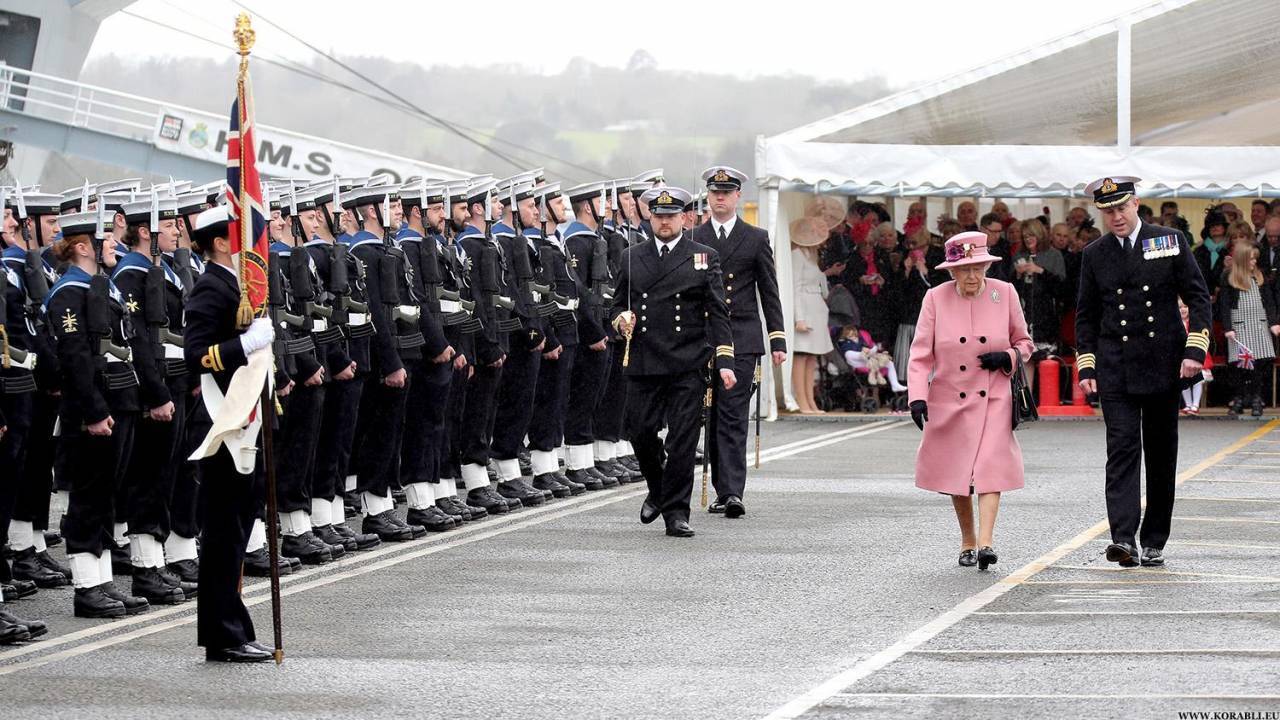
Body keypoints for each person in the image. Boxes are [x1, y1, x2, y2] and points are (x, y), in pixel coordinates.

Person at [1076, 176, 1212, 569]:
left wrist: (1194, 349)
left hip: (1162, 361)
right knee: (1120, 450)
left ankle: (1153, 539)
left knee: (1160, 451)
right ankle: (1122, 538)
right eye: (1107, 211)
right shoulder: (1095, 253)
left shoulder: (1167, 240)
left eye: (1121, 208)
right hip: (1116, 364)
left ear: (1136, 204)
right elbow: (1087, 315)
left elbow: (1198, 297)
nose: (1116, 217)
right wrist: (1088, 362)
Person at [611, 187, 735, 538]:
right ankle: (659, 487)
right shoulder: (631, 256)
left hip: (687, 360)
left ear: (684, 218)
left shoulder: (703, 256)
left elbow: (718, 312)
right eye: (658, 215)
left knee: (682, 439)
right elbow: (616, 304)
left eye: (671, 215)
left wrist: (724, 358)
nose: (664, 221)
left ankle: (676, 512)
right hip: (645, 358)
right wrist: (621, 320)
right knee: (640, 430)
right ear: (650, 217)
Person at [907, 231, 1033, 571]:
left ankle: (987, 543)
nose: (973, 276)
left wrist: (1007, 356)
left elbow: (1025, 343)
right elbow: (920, 354)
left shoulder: (1004, 293)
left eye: (979, 268)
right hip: (949, 396)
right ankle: (968, 540)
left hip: (993, 394)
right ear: (951, 271)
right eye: (964, 270)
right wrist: (917, 397)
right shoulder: (935, 298)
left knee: (990, 465)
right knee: (958, 470)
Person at [182, 204, 273, 662]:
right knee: (222, 534)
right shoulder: (210, 288)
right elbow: (196, 355)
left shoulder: (239, 285)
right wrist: (245, 344)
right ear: (220, 242)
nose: (252, 243)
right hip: (222, 424)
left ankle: (234, 627)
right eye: (241, 235)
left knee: (237, 529)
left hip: (246, 420)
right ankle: (222, 634)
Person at [692, 166, 786, 519]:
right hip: (703, 339)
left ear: (736, 197)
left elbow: (769, 291)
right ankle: (721, 487)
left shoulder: (755, 238)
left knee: (732, 414)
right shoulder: (694, 236)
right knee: (711, 415)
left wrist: (777, 339)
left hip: (743, 337)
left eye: (726, 192)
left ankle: (732, 491)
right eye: (714, 192)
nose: (719, 197)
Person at [1217, 242, 1278, 417]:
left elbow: (1269, 302)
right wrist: (1228, 328)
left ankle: (1256, 397)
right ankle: (1239, 397)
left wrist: (1273, 323)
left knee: (1259, 363)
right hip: (1239, 326)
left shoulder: (1260, 276)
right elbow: (1225, 305)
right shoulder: (1229, 277)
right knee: (1240, 363)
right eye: (1251, 259)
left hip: (1259, 324)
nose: (1254, 262)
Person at [789, 217, 832, 414]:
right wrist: (799, 318)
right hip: (805, 308)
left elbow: (822, 286)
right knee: (801, 355)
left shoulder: (813, 255)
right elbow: (795, 287)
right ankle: (801, 400)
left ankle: (810, 400)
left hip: (816, 307)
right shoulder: (797, 254)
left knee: (812, 357)